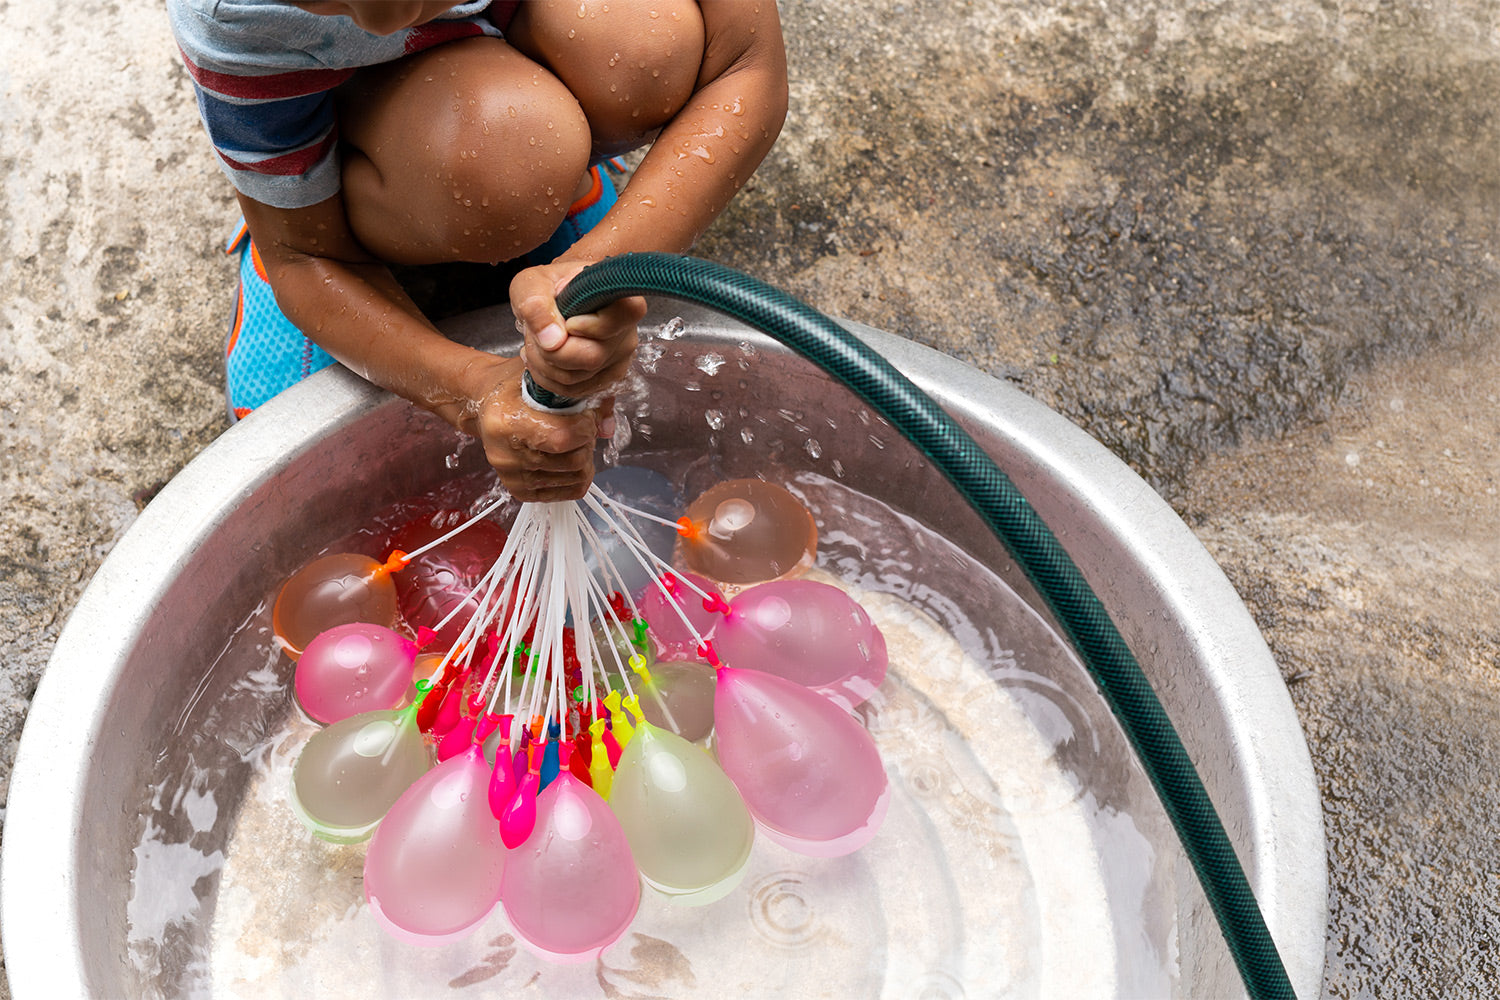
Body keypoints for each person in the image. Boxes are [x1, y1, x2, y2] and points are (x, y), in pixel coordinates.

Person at [167, 0, 788, 501]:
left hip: (504, 39)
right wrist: (472, 389)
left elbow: (743, 63)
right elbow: (304, 260)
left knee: (649, 45)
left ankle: (560, 171)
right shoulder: (238, 14)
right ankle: (300, 190)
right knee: (505, 168)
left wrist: (602, 267)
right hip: (348, 99)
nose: (381, 15)